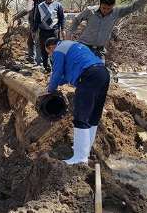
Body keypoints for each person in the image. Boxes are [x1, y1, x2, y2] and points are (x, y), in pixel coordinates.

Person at [45, 37, 109, 165]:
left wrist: (49, 89)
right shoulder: (74, 46)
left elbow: (57, 72)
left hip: (88, 76)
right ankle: (86, 150)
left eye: (49, 53)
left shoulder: (58, 50)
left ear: (51, 47)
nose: (51, 55)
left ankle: (80, 157)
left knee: (81, 117)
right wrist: (56, 82)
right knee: (93, 116)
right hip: (103, 73)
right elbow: (66, 75)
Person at [66, 0, 147, 59]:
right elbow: (76, 20)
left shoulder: (117, 12)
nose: (106, 10)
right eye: (104, 8)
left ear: (113, 6)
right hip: (84, 47)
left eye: (109, 8)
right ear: (100, 4)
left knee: (99, 75)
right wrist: (69, 34)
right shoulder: (90, 11)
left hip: (99, 50)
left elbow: (134, 6)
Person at [33, 0, 65, 72]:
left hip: (54, 31)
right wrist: (34, 30)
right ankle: (46, 67)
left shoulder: (58, 5)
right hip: (43, 31)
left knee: (55, 49)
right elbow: (36, 19)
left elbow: (61, 18)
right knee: (44, 49)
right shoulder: (40, 6)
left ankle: (55, 67)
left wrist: (63, 29)